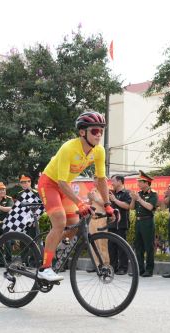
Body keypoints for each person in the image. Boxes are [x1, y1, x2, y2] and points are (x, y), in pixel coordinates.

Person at [36, 111, 114, 282]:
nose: (99, 135)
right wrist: (80, 203)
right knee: (60, 221)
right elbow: (62, 182)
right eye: (95, 131)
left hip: (65, 186)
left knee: (74, 224)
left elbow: (101, 179)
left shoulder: (99, 151)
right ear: (82, 132)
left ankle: (53, 246)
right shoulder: (69, 148)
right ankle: (45, 268)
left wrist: (107, 204)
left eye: (101, 131)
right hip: (49, 183)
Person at [129, 171, 158, 277]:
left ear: (147, 183)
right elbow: (131, 207)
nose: (138, 184)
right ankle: (139, 269)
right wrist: (133, 199)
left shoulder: (153, 194)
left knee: (149, 246)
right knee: (138, 246)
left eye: (140, 182)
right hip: (138, 221)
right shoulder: (139, 194)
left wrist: (139, 199)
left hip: (147, 221)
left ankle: (149, 270)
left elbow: (150, 207)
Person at [108, 174, 132, 275]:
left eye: (113, 181)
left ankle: (123, 268)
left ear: (119, 181)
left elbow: (127, 206)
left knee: (122, 247)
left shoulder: (126, 193)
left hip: (121, 224)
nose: (112, 183)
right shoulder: (111, 193)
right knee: (111, 247)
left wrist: (115, 200)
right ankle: (113, 267)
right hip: (111, 223)